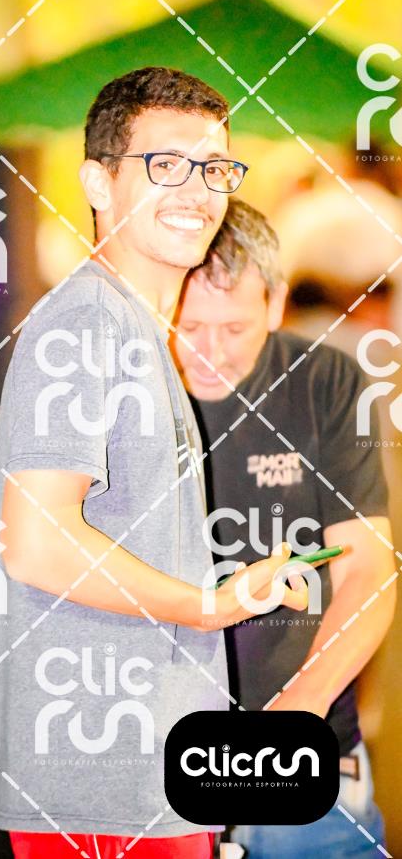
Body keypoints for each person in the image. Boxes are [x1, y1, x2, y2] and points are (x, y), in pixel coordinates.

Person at [0, 68, 308, 859]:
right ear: (98, 182)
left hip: (151, 775)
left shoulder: (133, 327)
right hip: (102, 783)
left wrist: (227, 590)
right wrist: (204, 603)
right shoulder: (86, 323)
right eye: (166, 165)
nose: (197, 191)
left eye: (215, 168)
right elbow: (36, 541)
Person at [172, 198, 396, 858]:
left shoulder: (326, 380)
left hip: (311, 759)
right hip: (158, 762)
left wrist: (296, 714)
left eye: (234, 327)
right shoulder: (132, 390)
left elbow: (367, 568)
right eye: (189, 326)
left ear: (275, 304)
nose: (208, 352)